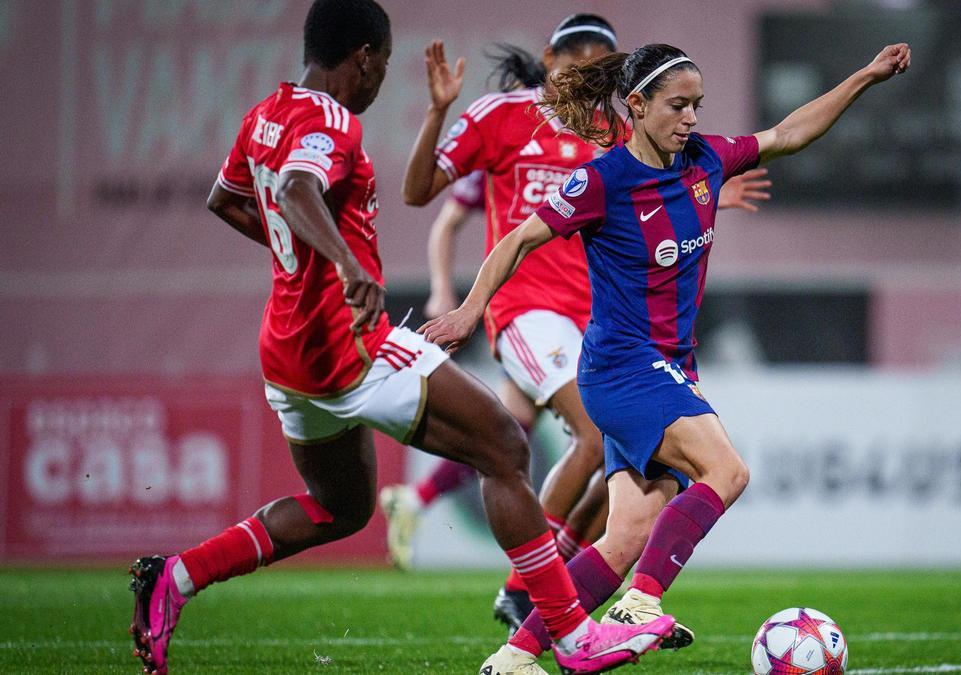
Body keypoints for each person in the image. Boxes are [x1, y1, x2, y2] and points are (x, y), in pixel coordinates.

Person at [126, 3, 675, 674]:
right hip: (351, 343)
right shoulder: (332, 121)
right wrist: (348, 267)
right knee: (504, 445)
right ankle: (567, 632)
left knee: (341, 507)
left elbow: (228, 198)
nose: (381, 78)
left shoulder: (262, 115)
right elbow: (298, 189)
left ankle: (176, 577)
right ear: (363, 57)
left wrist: (301, 259)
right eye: (383, 64)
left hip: (288, 355)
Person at [421, 39, 911, 675]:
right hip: (624, 366)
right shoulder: (603, 181)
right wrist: (466, 310)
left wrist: (864, 77)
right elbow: (519, 237)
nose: (691, 118)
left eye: (697, 105)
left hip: (668, 367)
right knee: (728, 471)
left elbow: (790, 133)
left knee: (625, 536)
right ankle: (641, 603)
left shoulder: (706, 160)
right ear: (637, 105)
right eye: (678, 105)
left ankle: (516, 656)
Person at [395, 14, 771, 633]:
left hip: (592, 318)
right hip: (527, 312)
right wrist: (458, 298)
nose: (591, 80)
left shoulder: (615, 132)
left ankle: (548, 595)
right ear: (551, 61)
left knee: (608, 474)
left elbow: (652, 190)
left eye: (605, 67)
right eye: (580, 67)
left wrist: (699, 193)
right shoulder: (502, 116)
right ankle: (530, 591)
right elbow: (427, 198)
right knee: (594, 439)